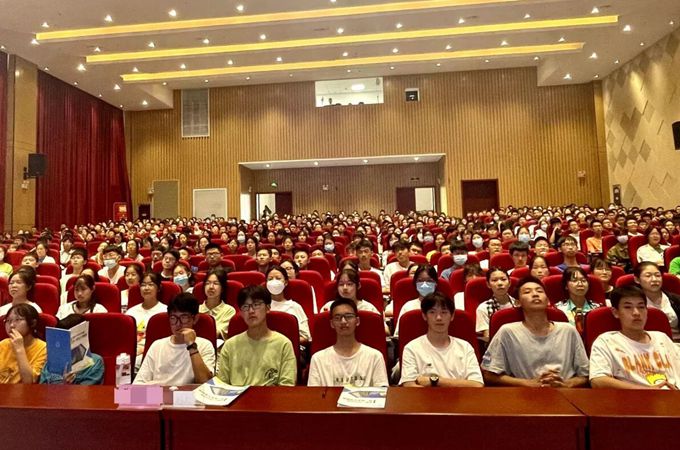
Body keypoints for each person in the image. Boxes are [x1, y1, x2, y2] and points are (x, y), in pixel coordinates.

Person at [481, 276, 589, 387]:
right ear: (518, 303)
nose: (535, 294)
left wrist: (567, 384)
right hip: (524, 393)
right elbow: (489, 374)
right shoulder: (507, 332)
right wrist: (526, 383)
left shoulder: (568, 330)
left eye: (539, 291)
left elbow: (586, 374)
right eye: (527, 292)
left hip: (565, 392)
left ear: (548, 301)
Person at [590, 285, 680, 389]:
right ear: (615, 312)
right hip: (635, 397)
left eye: (641, 307)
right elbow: (598, 380)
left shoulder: (661, 337)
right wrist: (648, 391)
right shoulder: (606, 341)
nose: (636, 313)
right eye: (628, 307)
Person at [217, 285, 297, 386]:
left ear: (268, 308)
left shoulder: (283, 344)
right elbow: (222, 385)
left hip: (272, 396)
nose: (251, 311)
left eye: (256, 305)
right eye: (245, 307)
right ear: (241, 312)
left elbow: (287, 386)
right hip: (236, 395)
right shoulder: (230, 345)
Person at [399, 292, 483, 387]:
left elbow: (477, 384)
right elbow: (409, 385)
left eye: (444, 312)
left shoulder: (465, 347)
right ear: (424, 316)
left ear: (452, 316)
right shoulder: (412, 348)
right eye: (432, 312)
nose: (439, 318)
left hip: (461, 396)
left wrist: (436, 381)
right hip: (424, 397)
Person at [134, 293, 215, 386]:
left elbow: (206, 384)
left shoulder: (205, 345)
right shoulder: (157, 345)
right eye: (173, 318)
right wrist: (161, 393)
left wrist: (191, 346)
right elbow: (137, 385)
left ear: (195, 318)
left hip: (187, 395)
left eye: (184, 318)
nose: (178, 324)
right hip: (159, 393)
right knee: (125, 393)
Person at [307, 298, 388, 387]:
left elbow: (382, 393)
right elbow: (314, 394)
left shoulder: (375, 357)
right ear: (332, 323)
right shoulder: (318, 359)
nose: (343, 321)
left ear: (357, 321)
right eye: (337, 318)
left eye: (349, 316)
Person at [39, 314, 104, 385]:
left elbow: (89, 390)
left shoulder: (95, 361)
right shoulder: (53, 360)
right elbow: (41, 387)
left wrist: (67, 385)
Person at [0, 304, 46, 384]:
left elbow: (28, 382)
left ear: (32, 323)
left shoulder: (43, 348)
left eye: (17, 320)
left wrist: (19, 348)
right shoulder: (3, 344)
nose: (11, 325)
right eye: (8, 321)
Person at [125, 272, 168, 359]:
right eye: (143, 285)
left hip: (157, 353)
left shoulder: (165, 312)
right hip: (133, 353)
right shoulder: (131, 312)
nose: (146, 288)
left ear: (158, 288)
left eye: (150, 285)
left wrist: (143, 350)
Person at [635, 262, 680, 341]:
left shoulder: (675, 299)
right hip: (647, 342)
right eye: (648, 276)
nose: (654, 279)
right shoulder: (633, 303)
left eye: (657, 275)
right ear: (637, 279)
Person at [266, 266, 311, 344]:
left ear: (286, 282)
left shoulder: (294, 306)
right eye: (270, 279)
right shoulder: (261, 307)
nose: (274, 282)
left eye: (278, 278)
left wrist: (283, 343)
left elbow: (305, 337)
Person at [394, 265, 438, 337]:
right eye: (420, 281)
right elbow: (398, 335)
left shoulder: (444, 307)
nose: (424, 284)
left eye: (429, 281)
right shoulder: (408, 307)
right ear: (415, 284)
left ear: (435, 283)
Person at [476, 267, 516, 342]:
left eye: (503, 279)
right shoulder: (483, 308)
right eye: (494, 280)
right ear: (488, 284)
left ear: (509, 282)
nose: (500, 283)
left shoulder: (519, 304)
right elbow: (488, 337)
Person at [555, 267, 600, 332]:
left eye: (583, 280)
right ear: (566, 285)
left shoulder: (597, 308)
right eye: (574, 280)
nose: (580, 284)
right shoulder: (558, 310)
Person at [198, 267, 236, 340]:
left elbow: (216, 334)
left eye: (216, 283)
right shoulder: (196, 309)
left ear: (222, 288)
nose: (211, 287)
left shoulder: (229, 310)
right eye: (207, 283)